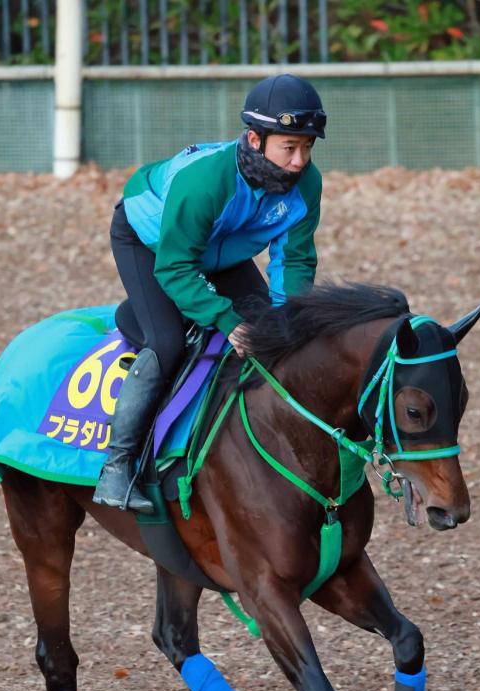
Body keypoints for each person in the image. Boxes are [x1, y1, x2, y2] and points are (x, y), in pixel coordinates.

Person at [93, 73, 326, 513]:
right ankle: (117, 466)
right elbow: (176, 266)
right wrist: (225, 320)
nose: (300, 161)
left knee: (273, 335)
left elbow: (293, 260)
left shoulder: (307, 185)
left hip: (222, 249)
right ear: (256, 140)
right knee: (166, 341)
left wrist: (285, 320)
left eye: (308, 147)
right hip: (152, 244)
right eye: (289, 147)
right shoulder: (204, 182)